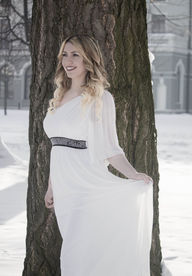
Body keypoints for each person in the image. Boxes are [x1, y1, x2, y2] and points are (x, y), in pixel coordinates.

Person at [43, 34, 153, 276]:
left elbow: (110, 148)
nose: (68, 60)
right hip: (64, 188)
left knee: (76, 252)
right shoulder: (59, 96)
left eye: (76, 55)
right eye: (65, 54)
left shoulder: (100, 98)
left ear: (88, 60)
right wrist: (51, 187)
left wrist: (133, 174)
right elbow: (57, 149)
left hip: (86, 184)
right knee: (76, 249)